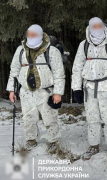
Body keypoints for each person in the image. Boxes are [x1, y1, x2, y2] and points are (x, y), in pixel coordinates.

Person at [6, 24, 65, 153]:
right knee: (28, 118)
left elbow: (59, 74)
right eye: (29, 34)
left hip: (46, 91)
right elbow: (14, 71)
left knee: (50, 118)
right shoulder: (20, 50)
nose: (30, 37)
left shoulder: (52, 51)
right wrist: (12, 90)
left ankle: (53, 141)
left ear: (40, 35)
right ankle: (31, 139)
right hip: (26, 92)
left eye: (33, 35)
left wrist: (58, 92)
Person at [71, 17, 107, 160]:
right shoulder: (84, 45)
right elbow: (77, 69)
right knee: (92, 118)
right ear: (89, 27)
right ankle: (93, 145)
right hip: (89, 88)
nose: (97, 28)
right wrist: (76, 88)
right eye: (94, 26)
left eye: (99, 25)